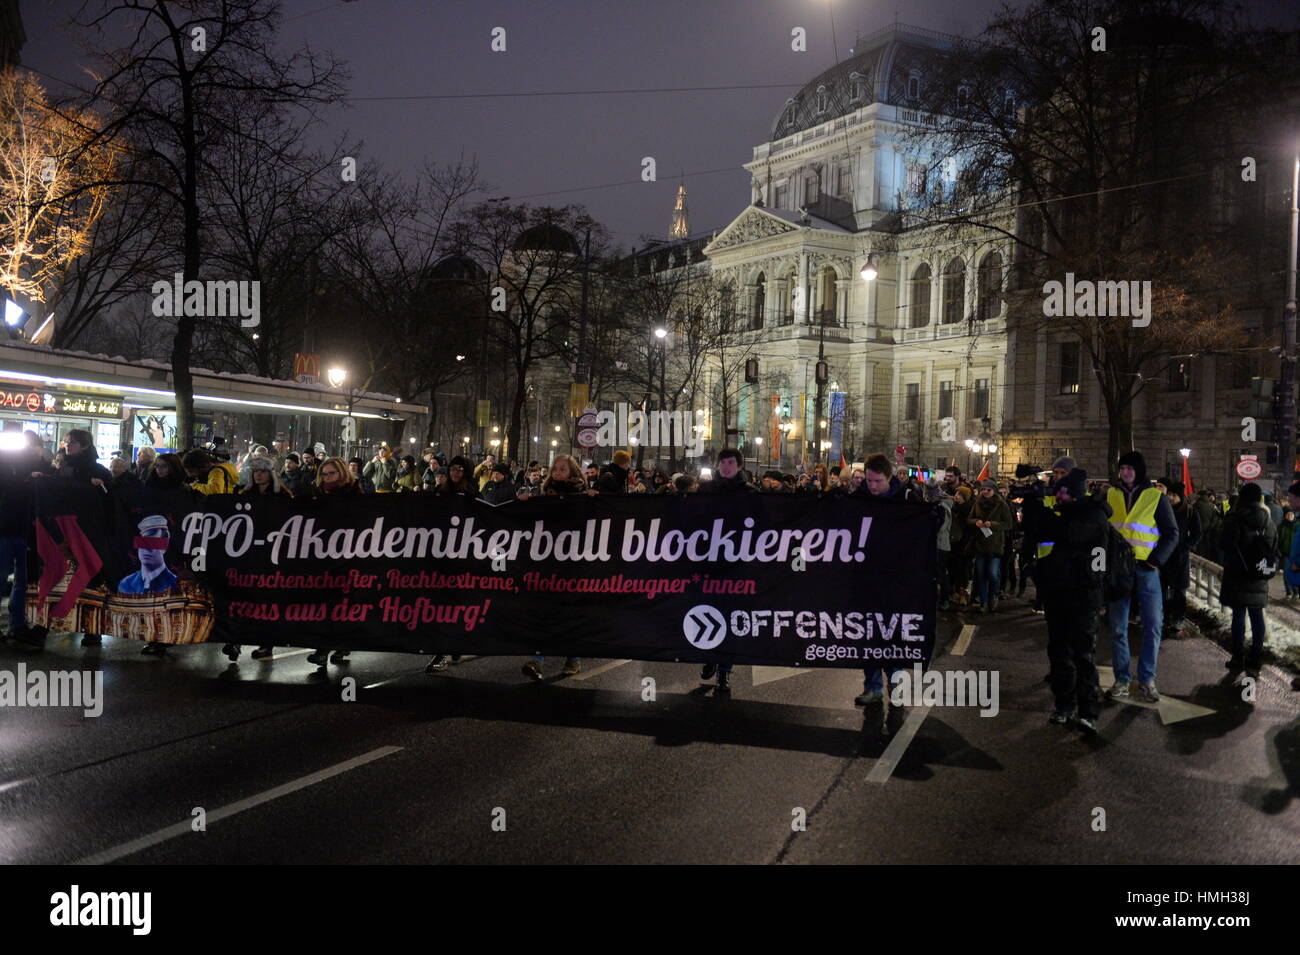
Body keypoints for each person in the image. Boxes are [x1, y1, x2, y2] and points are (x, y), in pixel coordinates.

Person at [1033, 468, 1108, 733]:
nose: (1058, 497)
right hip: (1058, 594)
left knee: (1083, 655)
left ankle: (1088, 711)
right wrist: (1035, 502)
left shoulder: (1093, 517)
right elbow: (1038, 532)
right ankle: (1064, 705)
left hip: (1084, 596)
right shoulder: (1063, 516)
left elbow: (1077, 538)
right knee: (1059, 652)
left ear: (1075, 495)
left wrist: (1098, 597)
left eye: (1063, 493)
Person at [850, 453, 926, 705]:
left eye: (877, 481)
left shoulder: (906, 498)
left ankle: (896, 684)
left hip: (897, 581)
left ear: (889, 478)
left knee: (892, 635)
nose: (872, 486)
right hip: (865, 579)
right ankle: (872, 687)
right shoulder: (858, 498)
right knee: (868, 635)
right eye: (869, 481)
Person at [1105, 450, 1179, 703]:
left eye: (1130, 468)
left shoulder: (1156, 497)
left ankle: (1147, 679)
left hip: (1146, 568)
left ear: (1139, 471)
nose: (1125, 472)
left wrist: (1155, 560)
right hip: (1119, 569)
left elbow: (1171, 533)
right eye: (1122, 468)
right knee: (1117, 627)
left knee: (1153, 625)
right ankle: (1122, 679)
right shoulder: (1110, 494)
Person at [306, 458, 360, 667]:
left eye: (332, 474)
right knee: (325, 602)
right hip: (322, 556)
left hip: (347, 556)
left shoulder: (354, 495)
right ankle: (325, 646)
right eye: (325, 474)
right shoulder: (316, 495)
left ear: (342, 475)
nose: (327, 478)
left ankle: (336, 644)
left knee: (341, 603)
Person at [1218, 482, 1274, 676]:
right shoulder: (1268, 520)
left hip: (1238, 574)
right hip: (1259, 573)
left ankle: (1238, 657)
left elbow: (1224, 543)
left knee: (1239, 615)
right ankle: (1256, 658)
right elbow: (1272, 546)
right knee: (1257, 615)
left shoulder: (1234, 518)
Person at [1160, 480, 1201, 640]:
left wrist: (1186, 547)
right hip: (1163, 555)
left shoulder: (1190, 511)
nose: (1170, 497)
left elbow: (1197, 533)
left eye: (1174, 495)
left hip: (1180, 557)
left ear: (1181, 496)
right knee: (1163, 589)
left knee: (1179, 590)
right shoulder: (1162, 509)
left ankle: (1177, 619)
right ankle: (1163, 617)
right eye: (1169, 494)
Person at [968, 479, 1011, 613]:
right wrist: (976, 522)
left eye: (988, 490)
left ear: (994, 491)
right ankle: (984, 601)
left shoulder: (1001, 505)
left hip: (995, 544)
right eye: (983, 490)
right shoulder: (977, 503)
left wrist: (993, 524)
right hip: (980, 544)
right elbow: (969, 519)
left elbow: (1008, 524)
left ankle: (993, 596)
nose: (985, 492)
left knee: (992, 573)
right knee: (980, 574)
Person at [1279, 505, 1298, 599]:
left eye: (1291, 514)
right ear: (1285, 515)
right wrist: (1279, 552)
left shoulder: (1298, 525)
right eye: (1288, 514)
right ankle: (1289, 592)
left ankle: (1296, 592)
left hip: (1296, 555)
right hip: (1285, 554)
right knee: (1286, 573)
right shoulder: (1281, 526)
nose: (1290, 516)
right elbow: (1278, 540)